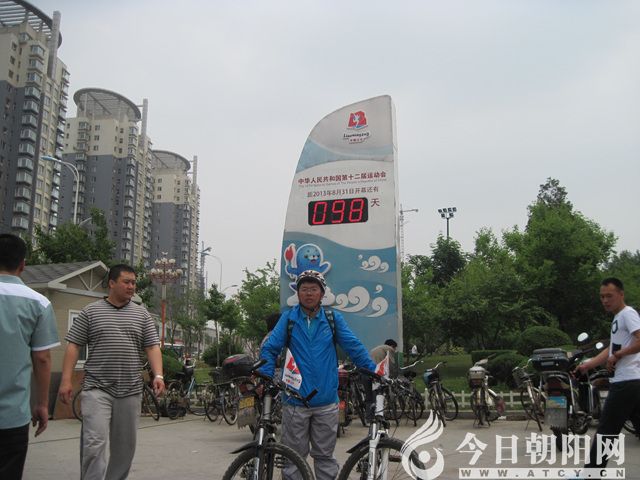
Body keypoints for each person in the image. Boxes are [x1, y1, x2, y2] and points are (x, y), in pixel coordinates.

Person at [260, 270, 375, 480]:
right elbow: (270, 348)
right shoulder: (288, 319)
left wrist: (373, 371)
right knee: (293, 459)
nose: (309, 293)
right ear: (298, 293)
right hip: (295, 401)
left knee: (325, 456)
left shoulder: (333, 319)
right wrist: (265, 375)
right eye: (304, 289)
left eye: (313, 289)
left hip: (326, 402)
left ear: (322, 293)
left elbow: (354, 347)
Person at [58, 264, 165, 480]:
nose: (131, 286)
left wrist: (159, 375)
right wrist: (66, 380)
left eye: (134, 283)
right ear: (112, 283)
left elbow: (152, 347)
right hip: (97, 388)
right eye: (126, 282)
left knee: (125, 447)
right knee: (94, 442)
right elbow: (73, 346)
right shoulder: (91, 312)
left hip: (130, 390)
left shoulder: (141, 314)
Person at [0, 234, 60, 480]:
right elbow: (42, 358)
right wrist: (42, 404)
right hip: (12, 416)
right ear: (23, 264)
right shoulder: (38, 303)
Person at [577, 277, 640, 471]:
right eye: (602, 296)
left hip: (626, 381)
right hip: (632, 382)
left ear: (621, 294)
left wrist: (618, 355)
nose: (605, 300)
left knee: (606, 430)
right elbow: (611, 349)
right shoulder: (618, 318)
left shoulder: (628, 314)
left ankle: (591, 473)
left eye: (609, 296)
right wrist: (588, 365)